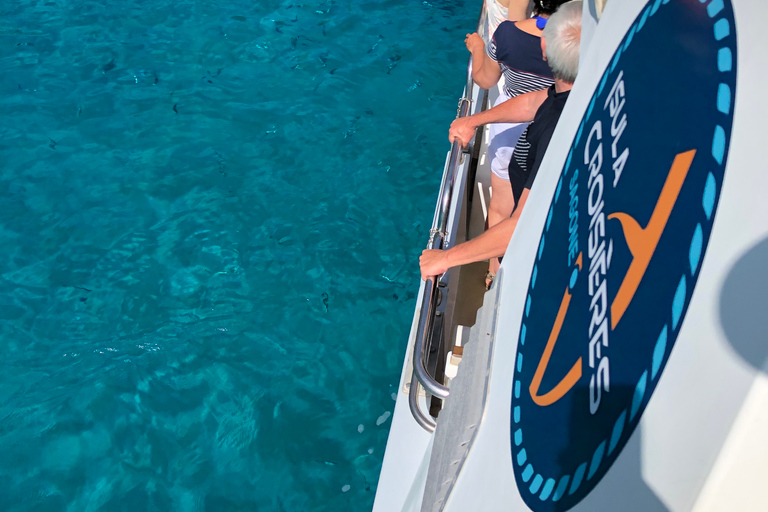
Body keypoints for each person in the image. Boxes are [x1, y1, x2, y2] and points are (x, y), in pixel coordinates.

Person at [420, 0, 582, 281]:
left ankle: (496, 277)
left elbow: (522, 224)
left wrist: (444, 258)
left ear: (547, 52)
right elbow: (533, 101)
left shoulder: (557, 128)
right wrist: (473, 120)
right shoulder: (566, 92)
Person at [465, 0, 571, 288]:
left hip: (509, 128)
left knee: (501, 207)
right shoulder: (575, 41)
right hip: (552, 125)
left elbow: (486, 79)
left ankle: (494, 272)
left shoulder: (507, 33)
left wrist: (477, 48)